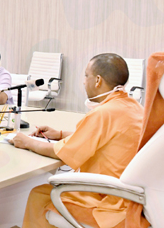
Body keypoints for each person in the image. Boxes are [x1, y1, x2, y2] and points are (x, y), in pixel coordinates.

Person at [11, 53, 149, 228]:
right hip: (133, 198)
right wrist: (60, 134)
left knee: (40, 194)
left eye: (86, 75)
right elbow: (106, 137)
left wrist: (26, 142)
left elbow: (61, 154)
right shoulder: (134, 107)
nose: (84, 81)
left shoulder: (103, 113)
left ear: (97, 80)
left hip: (107, 201)